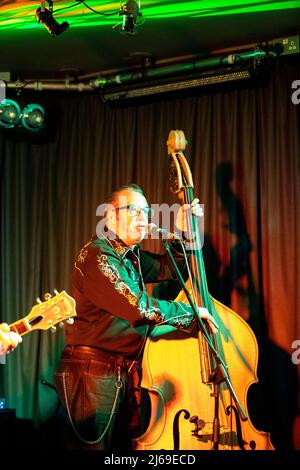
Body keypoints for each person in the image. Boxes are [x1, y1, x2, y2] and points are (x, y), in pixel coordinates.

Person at [54, 184, 218, 450]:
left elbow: (169, 267)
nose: (144, 219)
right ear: (109, 216)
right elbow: (138, 308)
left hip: (121, 371)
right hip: (91, 372)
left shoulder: (132, 255)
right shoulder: (99, 255)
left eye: (146, 212)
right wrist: (190, 312)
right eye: (134, 211)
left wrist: (183, 232)